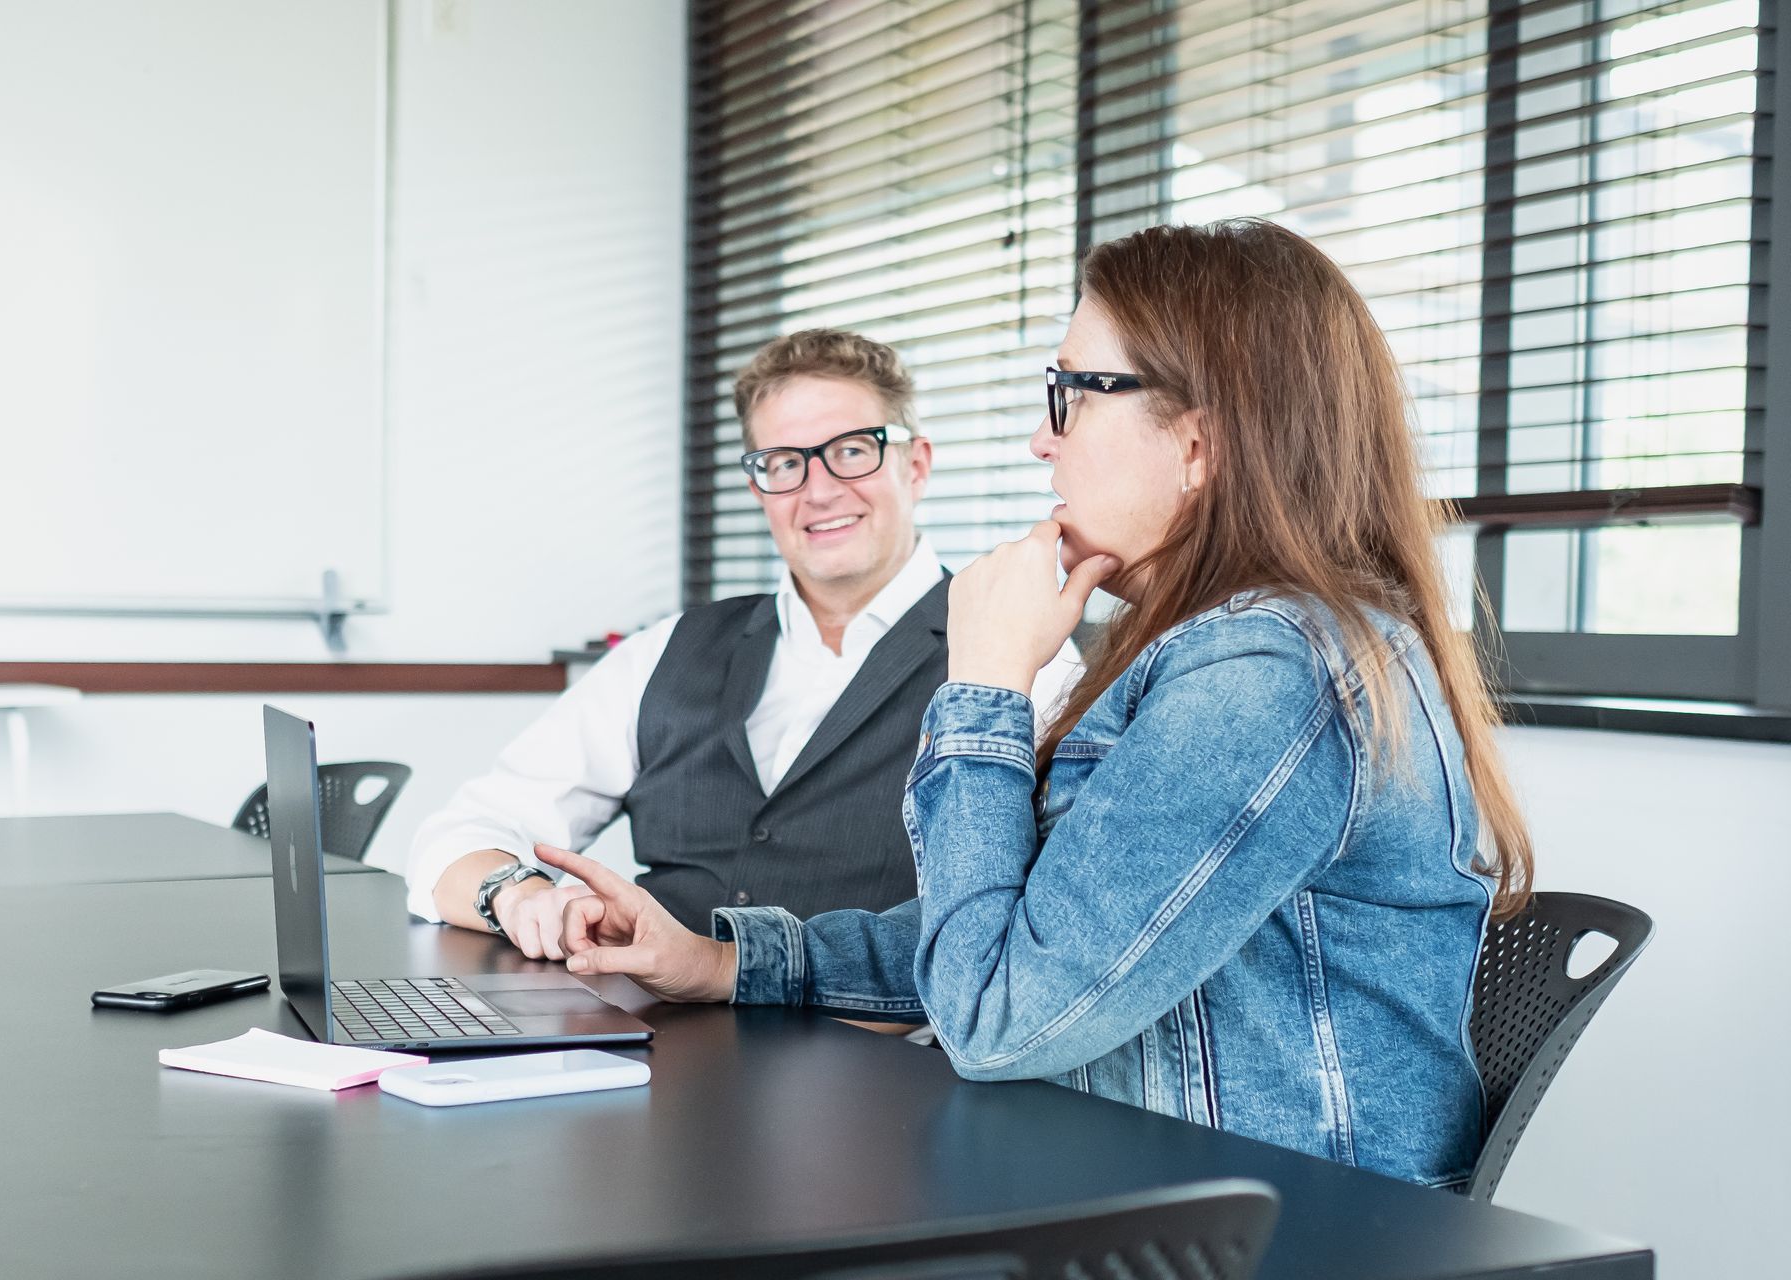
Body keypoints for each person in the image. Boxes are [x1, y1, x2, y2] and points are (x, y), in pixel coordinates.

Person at [533, 219, 1538, 1189]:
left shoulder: (1266, 673)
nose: (1038, 442)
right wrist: (717, 961)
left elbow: (997, 1015)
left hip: (1275, 1237)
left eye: (1070, 397)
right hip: (1171, 1198)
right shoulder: (1226, 651)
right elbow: (1026, 938)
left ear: (1196, 444)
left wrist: (984, 682)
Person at [405, 329, 1081, 963]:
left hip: (883, 1070)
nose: (818, 491)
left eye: (851, 450)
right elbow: (460, 833)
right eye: (783, 463)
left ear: (917, 465)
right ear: (758, 486)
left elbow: (1033, 935)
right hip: (649, 1048)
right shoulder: (669, 650)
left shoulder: (1021, 656)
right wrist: (520, 894)